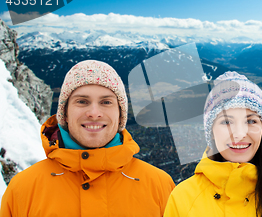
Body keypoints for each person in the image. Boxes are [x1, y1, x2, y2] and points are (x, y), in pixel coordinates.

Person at [0, 60, 175, 216]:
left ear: (120, 114)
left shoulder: (159, 186)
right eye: (82, 101)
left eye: (106, 102)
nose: (94, 113)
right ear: (65, 114)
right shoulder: (23, 189)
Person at [164, 71, 262, 217]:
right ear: (211, 131)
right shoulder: (183, 199)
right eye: (227, 122)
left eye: (251, 121)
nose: (239, 134)